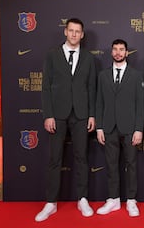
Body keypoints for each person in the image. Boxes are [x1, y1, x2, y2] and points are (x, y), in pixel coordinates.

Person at [35, 18, 97, 222]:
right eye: (71, 30)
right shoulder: (52, 55)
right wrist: (48, 114)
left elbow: (91, 88)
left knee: (81, 158)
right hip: (58, 115)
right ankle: (51, 203)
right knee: (55, 159)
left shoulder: (88, 58)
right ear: (65, 32)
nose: (74, 34)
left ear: (82, 35)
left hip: (80, 115)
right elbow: (46, 87)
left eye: (77, 31)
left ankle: (82, 199)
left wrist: (92, 114)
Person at [95, 39, 144, 217]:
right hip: (108, 127)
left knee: (131, 164)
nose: (118, 52)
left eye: (121, 49)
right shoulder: (102, 76)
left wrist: (139, 129)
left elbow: (141, 104)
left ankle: (131, 200)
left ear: (126, 53)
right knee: (111, 165)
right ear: (111, 52)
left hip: (130, 127)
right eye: (115, 49)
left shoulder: (137, 75)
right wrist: (99, 127)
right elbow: (98, 103)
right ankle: (113, 199)